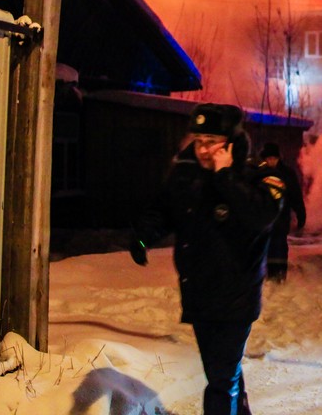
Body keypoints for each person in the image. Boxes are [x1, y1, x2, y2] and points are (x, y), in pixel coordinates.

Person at [130, 104, 284, 415]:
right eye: (199, 140)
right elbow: (162, 209)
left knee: (219, 379)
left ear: (230, 143)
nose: (203, 149)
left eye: (211, 141)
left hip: (236, 298)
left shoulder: (256, 178)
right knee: (223, 372)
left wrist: (225, 175)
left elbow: (260, 217)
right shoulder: (186, 175)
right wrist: (143, 236)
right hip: (199, 295)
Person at [258, 142, 306, 282]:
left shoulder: (287, 174)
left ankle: (280, 277)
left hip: (281, 217)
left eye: (274, 158)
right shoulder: (259, 173)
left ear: (279, 158)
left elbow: (295, 195)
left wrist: (300, 213)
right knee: (268, 248)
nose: (272, 161)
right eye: (269, 158)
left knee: (280, 247)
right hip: (265, 218)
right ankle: (270, 275)